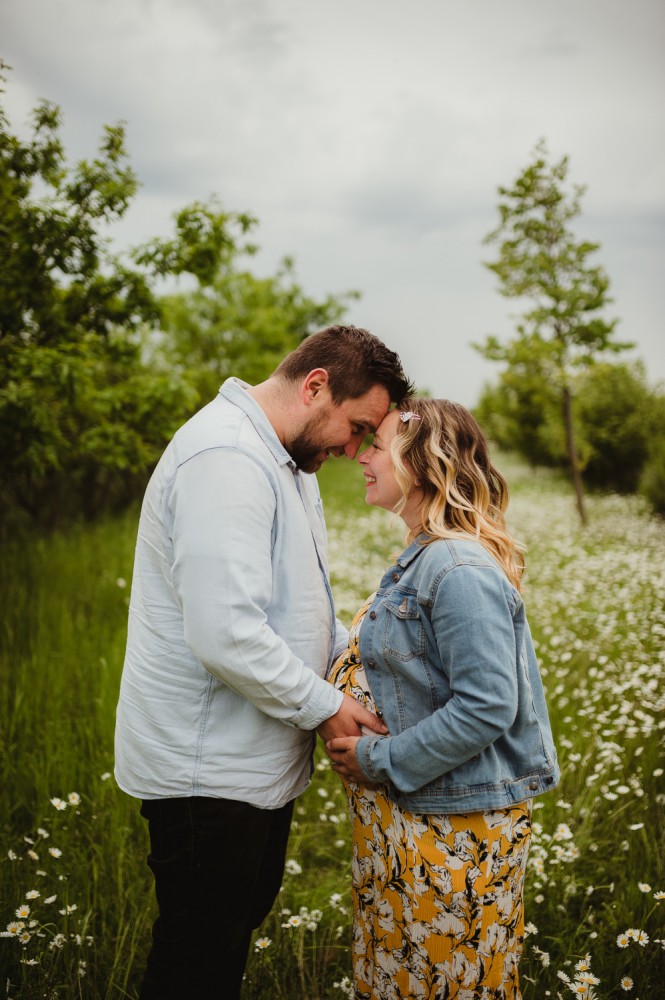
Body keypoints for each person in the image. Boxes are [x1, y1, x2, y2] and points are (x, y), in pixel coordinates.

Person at [114, 325, 413, 1000]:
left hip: (248, 765)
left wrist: (357, 665)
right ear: (315, 387)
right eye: (357, 426)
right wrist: (331, 707)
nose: (357, 448)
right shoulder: (225, 458)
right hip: (206, 771)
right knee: (196, 961)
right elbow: (226, 633)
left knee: (225, 937)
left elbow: (300, 604)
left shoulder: (283, 458)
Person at [326, 398, 560, 1000]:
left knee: (450, 984)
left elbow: (485, 706)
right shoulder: (426, 556)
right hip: (417, 822)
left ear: (423, 461)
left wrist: (377, 761)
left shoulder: (455, 566)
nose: (359, 455)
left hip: (454, 832)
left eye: (375, 444)